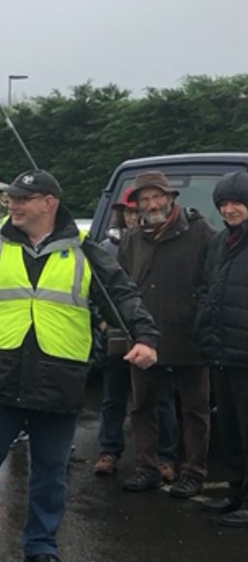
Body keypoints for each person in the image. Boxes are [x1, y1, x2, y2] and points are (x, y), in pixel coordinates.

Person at [0, 170, 159, 562]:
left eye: (23, 199)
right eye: (12, 198)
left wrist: (146, 335)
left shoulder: (85, 250)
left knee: (50, 468)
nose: (13, 205)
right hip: (2, 374)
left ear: (49, 203)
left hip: (58, 375)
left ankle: (41, 545)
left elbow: (122, 293)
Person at [117, 171, 214, 497]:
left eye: (157, 196)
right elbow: (120, 286)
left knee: (195, 409)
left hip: (189, 336)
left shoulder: (200, 231)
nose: (151, 204)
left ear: (171, 198)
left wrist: (201, 315)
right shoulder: (131, 238)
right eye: (144, 199)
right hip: (145, 338)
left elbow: (215, 280)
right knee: (142, 406)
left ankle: (194, 472)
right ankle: (147, 467)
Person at [95, 186, 178, 476]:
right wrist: (102, 321)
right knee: (113, 396)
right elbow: (97, 290)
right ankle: (109, 451)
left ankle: (165, 457)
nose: (133, 215)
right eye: (128, 210)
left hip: (152, 333)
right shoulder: (106, 247)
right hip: (118, 334)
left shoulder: (159, 242)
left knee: (161, 398)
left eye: (136, 210)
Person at [196, 171, 248, 527]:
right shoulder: (219, 243)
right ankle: (235, 492)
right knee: (229, 428)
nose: (229, 209)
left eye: (236, 202)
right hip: (222, 351)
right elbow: (207, 286)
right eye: (223, 204)